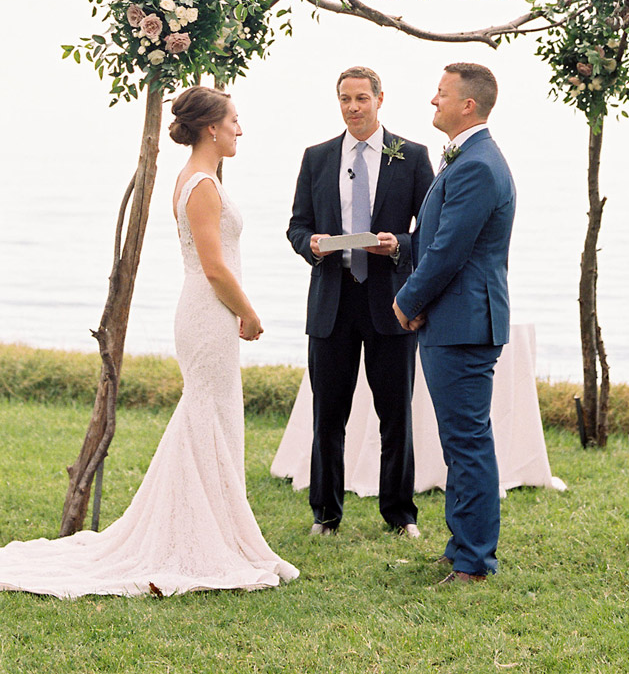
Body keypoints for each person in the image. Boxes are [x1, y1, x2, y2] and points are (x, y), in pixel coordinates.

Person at [0, 86, 298, 597]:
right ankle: (201, 537)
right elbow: (212, 267)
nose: (239, 130)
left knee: (210, 417)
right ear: (211, 127)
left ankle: (215, 527)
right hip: (210, 312)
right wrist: (249, 312)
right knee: (207, 414)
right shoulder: (201, 184)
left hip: (207, 314)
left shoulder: (195, 179)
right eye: (234, 121)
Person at [287, 66, 434, 536]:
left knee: (396, 416)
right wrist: (309, 244)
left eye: (361, 99)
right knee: (328, 416)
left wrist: (397, 247)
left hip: (389, 301)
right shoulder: (317, 157)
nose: (353, 107)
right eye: (345, 99)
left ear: (379, 99)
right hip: (332, 301)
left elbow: (429, 231)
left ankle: (399, 515)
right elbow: (297, 225)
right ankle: (325, 516)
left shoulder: (412, 156)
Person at [393, 63, 515, 584]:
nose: (432, 101)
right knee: (458, 440)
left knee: (467, 442)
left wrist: (405, 300)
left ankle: (474, 561)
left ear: (468, 105)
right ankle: (460, 543)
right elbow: (434, 237)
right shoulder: (468, 159)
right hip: (455, 317)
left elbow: (449, 252)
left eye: (440, 94)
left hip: (463, 321)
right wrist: (398, 244)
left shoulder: (477, 165)